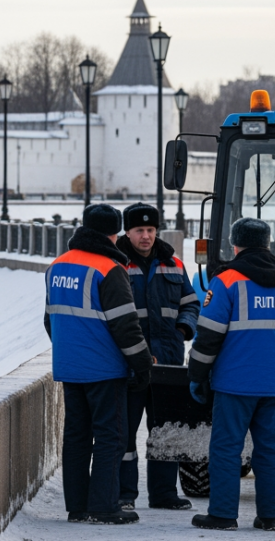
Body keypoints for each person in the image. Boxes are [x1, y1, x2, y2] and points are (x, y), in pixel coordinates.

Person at [187, 218, 275, 531]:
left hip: (235, 383)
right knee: (270, 450)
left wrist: (197, 375)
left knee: (226, 448)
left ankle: (223, 515)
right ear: (268, 244)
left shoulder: (226, 281)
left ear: (235, 245)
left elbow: (208, 336)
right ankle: (270, 517)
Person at [45, 203, 153, 525]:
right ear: (115, 234)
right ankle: (104, 507)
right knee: (111, 437)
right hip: (104, 369)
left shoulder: (57, 266)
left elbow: (50, 320)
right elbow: (126, 327)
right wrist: (142, 365)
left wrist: (70, 351)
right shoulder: (109, 269)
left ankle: (78, 507)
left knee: (77, 437)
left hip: (69, 367)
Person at [115, 203, 198, 512]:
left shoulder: (174, 264)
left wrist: (183, 329)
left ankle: (163, 494)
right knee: (124, 434)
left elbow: (191, 303)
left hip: (168, 362)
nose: (146, 236)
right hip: (129, 364)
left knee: (167, 431)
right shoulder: (116, 265)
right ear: (127, 232)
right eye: (140, 230)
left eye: (151, 230)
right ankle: (124, 495)